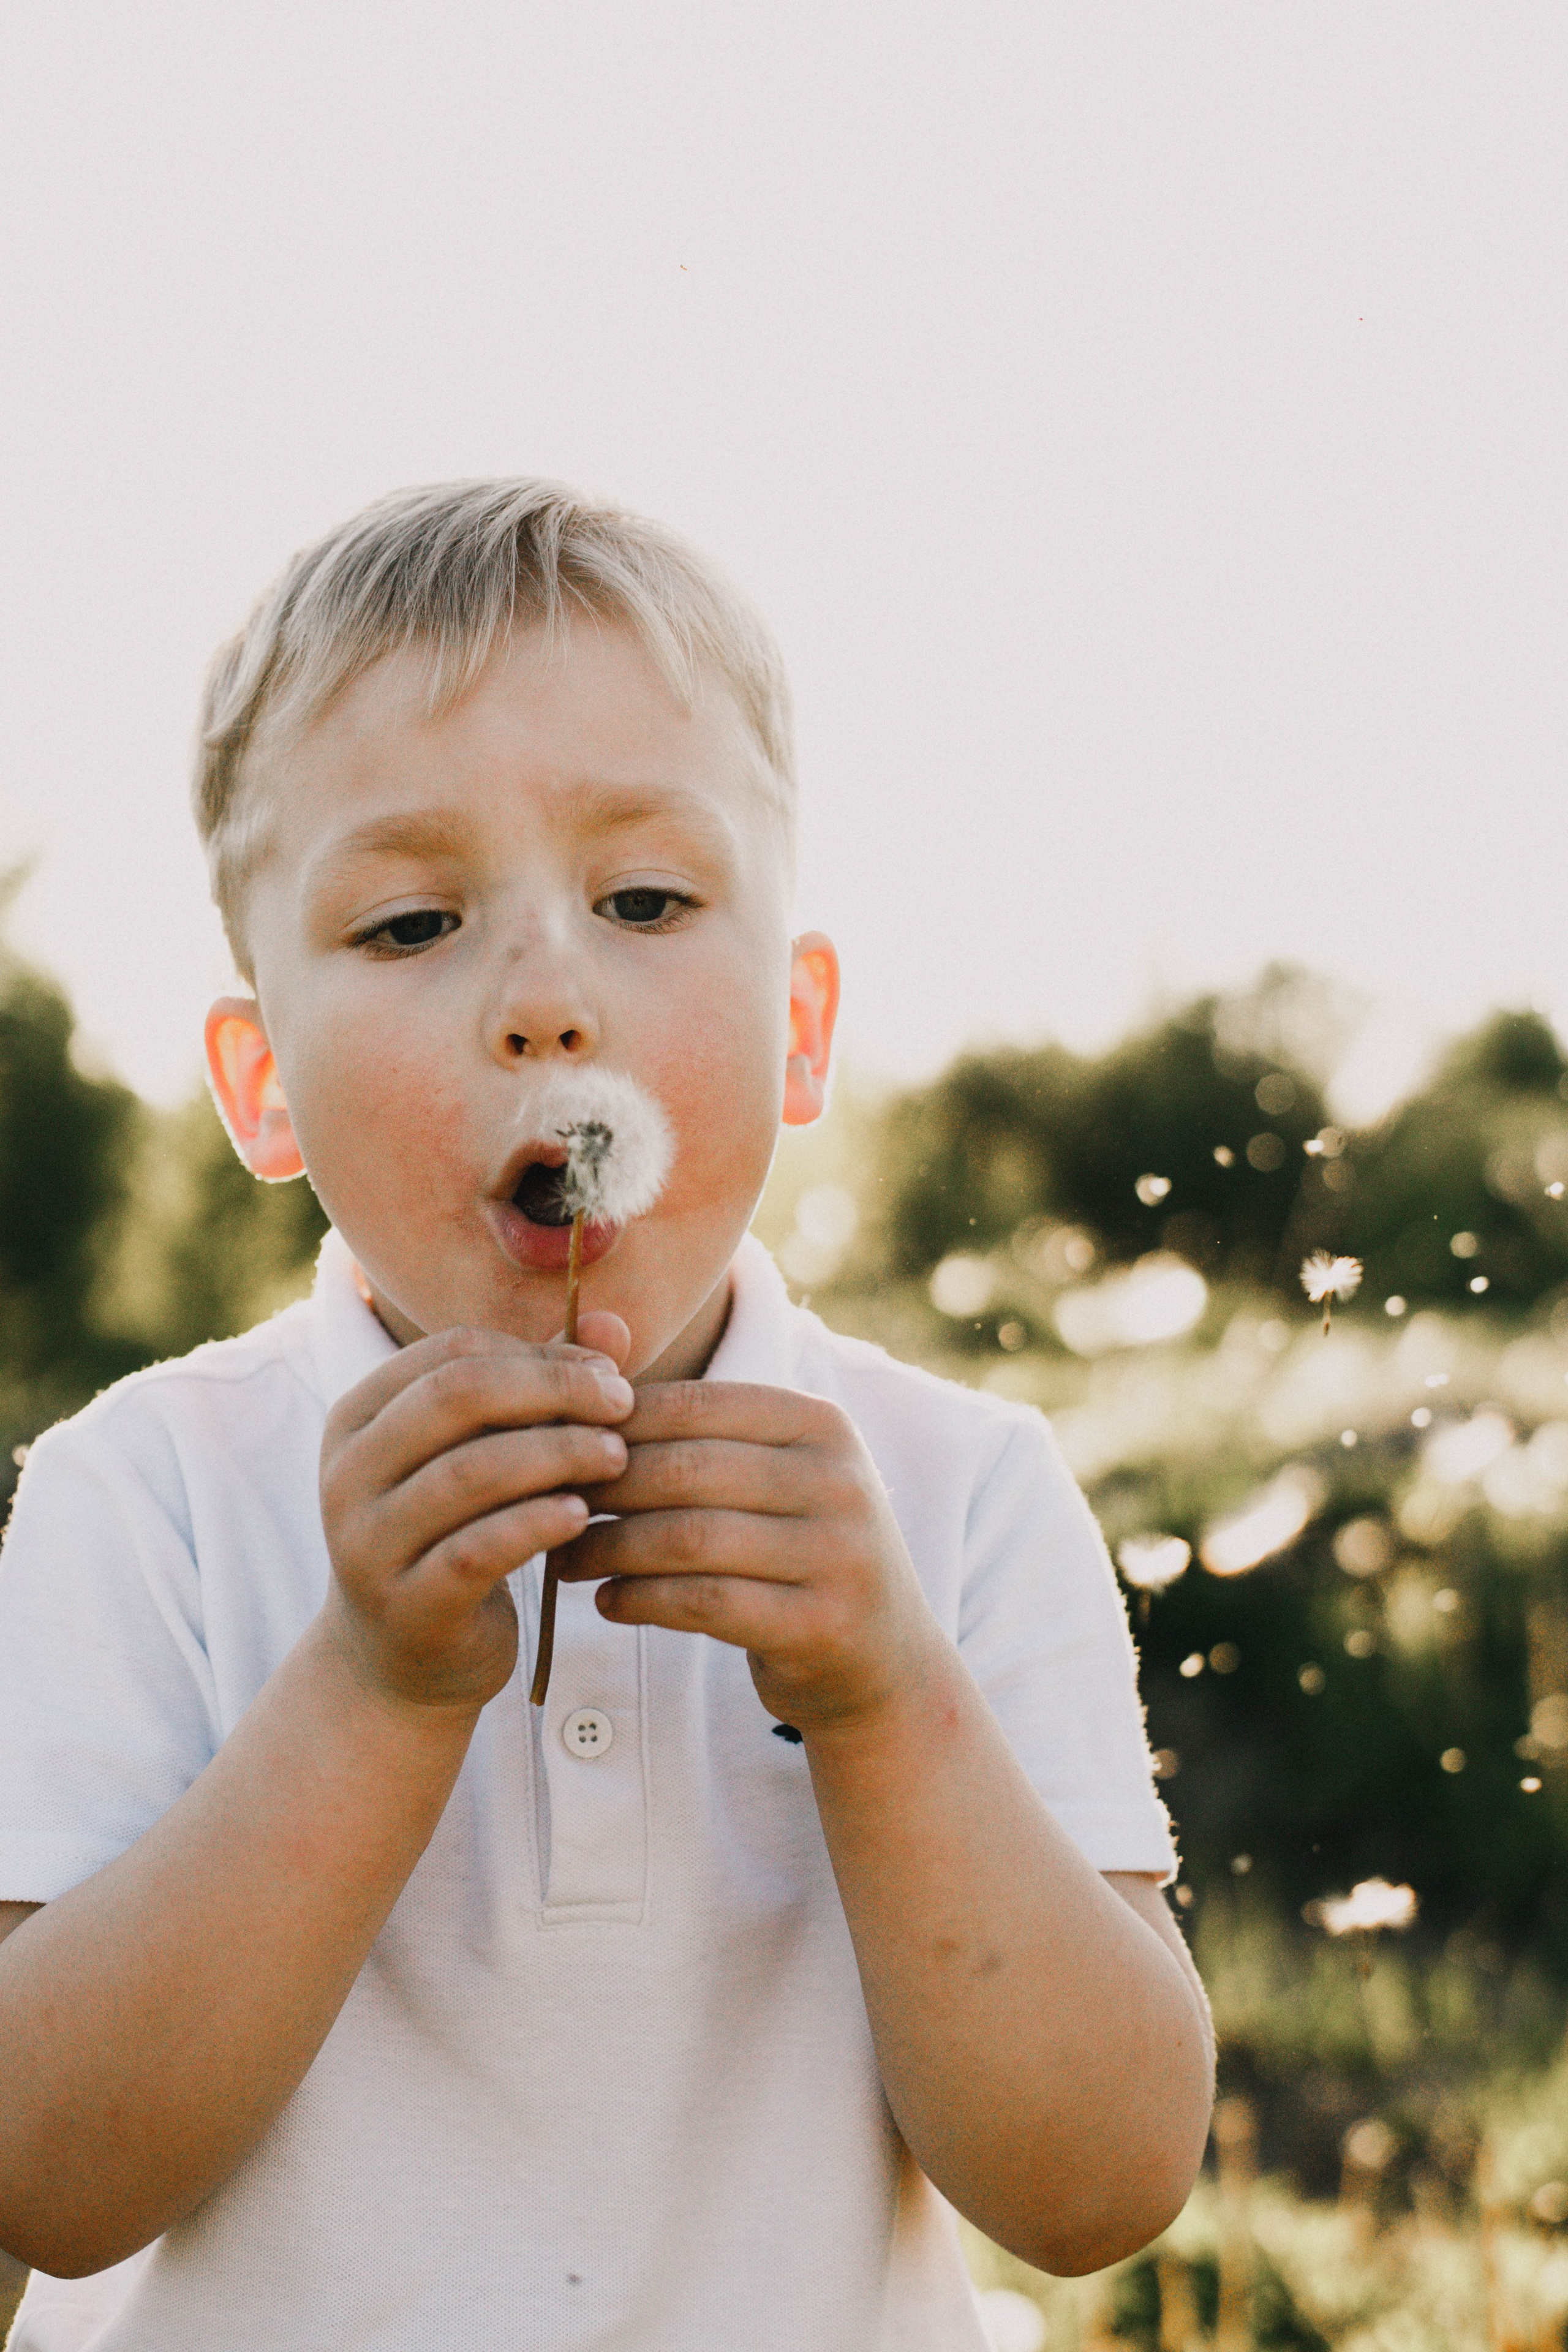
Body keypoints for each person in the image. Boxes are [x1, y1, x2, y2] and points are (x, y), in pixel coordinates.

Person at [0, 479, 1212, 2350]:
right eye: (411, 923)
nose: (546, 997)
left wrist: (888, 1703)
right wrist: (374, 1687)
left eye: (646, 898)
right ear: (261, 1087)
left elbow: (1098, 2187)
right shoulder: (146, 1500)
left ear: (803, 1030)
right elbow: (46, 2180)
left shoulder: (956, 1500)